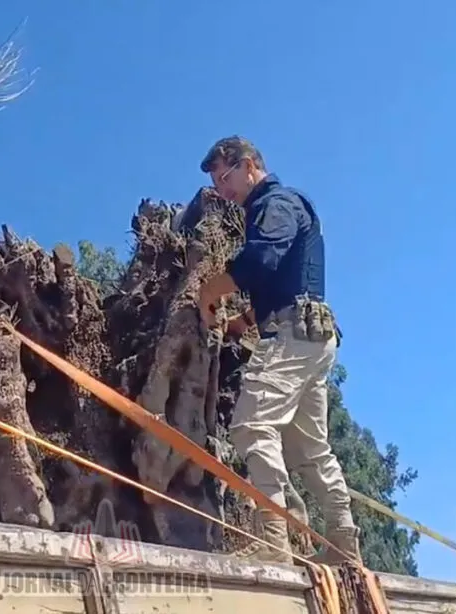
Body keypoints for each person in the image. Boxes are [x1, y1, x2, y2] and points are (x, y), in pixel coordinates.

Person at [196, 135, 361, 565]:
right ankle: (345, 544)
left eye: (225, 177)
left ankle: (274, 541)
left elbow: (261, 261)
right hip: (311, 338)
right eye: (216, 183)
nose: (222, 190)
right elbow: (282, 281)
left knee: (251, 427)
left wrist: (212, 289)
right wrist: (244, 322)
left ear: (249, 165)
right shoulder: (283, 207)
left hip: (292, 336)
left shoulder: (277, 203)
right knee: (309, 449)